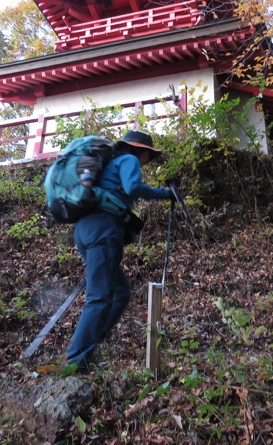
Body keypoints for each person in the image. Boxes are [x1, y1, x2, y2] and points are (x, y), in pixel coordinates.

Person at [64, 130, 172, 372]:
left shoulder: (106, 165)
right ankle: (75, 363)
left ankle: (88, 347)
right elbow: (133, 187)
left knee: (120, 292)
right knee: (99, 298)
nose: (147, 161)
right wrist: (166, 194)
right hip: (103, 229)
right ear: (141, 150)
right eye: (149, 155)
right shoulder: (129, 159)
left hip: (85, 230)